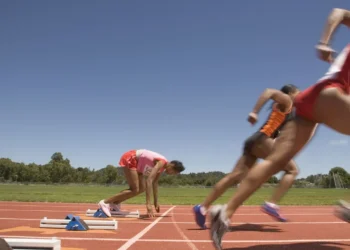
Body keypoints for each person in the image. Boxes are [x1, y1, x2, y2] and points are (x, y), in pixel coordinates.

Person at [209, 7, 350, 250]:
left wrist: (325, 43)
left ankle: (224, 212)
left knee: (275, 162)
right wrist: (324, 42)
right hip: (330, 93)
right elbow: (340, 11)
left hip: (309, 100)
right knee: (279, 163)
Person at [193, 84, 300, 229]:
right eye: (298, 93)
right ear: (291, 92)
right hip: (263, 140)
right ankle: (272, 204)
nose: (299, 97)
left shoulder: (284, 109)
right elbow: (269, 91)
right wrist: (254, 112)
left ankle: (203, 207)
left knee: (235, 175)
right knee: (292, 170)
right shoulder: (287, 100)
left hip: (254, 141)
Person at [98, 149, 185, 218]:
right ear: (172, 166)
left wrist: (155, 202)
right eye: (173, 172)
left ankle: (115, 203)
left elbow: (155, 183)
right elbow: (149, 180)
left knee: (141, 189)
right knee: (135, 189)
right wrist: (148, 204)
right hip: (131, 157)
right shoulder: (162, 162)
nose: (172, 174)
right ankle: (105, 202)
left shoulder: (161, 169)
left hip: (139, 168)